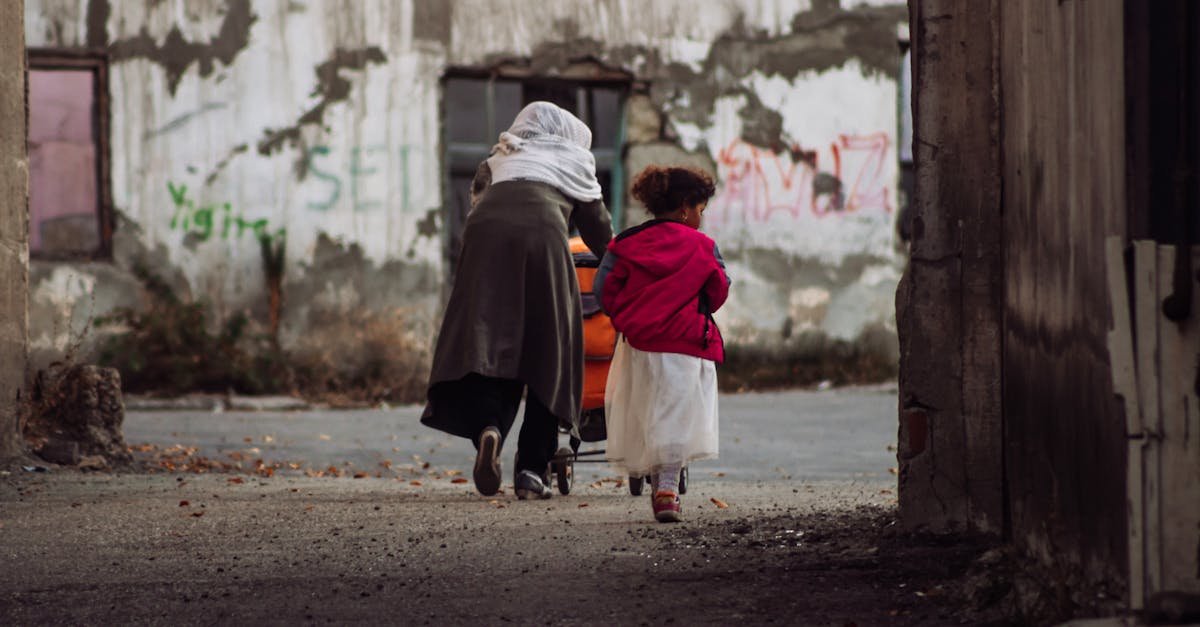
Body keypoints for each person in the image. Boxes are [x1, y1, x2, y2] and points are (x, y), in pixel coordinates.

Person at [421, 102, 613, 500]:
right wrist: (621, 258)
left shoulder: (502, 155)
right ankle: (531, 470)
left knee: (495, 342)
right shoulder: (573, 160)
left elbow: (478, 202)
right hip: (542, 237)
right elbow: (598, 230)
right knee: (547, 350)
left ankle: (489, 427)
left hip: (484, 237)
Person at [593, 165, 729, 523]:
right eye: (700, 210)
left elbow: (603, 291)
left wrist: (628, 316)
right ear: (685, 207)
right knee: (675, 414)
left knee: (647, 408)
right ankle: (666, 488)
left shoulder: (624, 244)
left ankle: (653, 474)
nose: (701, 218)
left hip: (641, 344)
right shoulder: (704, 247)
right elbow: (718, 290)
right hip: (686, 344)